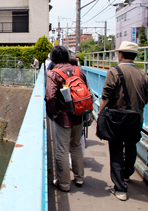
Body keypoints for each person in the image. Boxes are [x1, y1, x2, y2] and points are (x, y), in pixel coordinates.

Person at [98, 41, 148, 201]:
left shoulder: (114, 71)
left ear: (120, 54)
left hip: (117, 118)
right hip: (136, 117)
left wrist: (100, 114)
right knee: (131, 145)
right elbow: (146, 98)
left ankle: (120, 188)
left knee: (116, 150)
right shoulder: (142, 74)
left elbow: (106, 95)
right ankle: (127, 174)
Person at [45, 46, 87, 192]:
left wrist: (52, 114)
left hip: (63, 117)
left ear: (54, 58)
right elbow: (85, 89)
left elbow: (50, 97)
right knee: (75, 146)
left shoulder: (54, 73)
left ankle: (63, 184)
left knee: (62, 149)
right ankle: (79, 178)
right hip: (79, 115)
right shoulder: (78, 70)